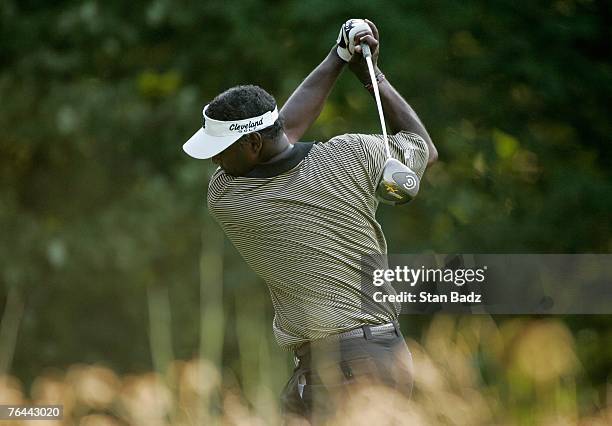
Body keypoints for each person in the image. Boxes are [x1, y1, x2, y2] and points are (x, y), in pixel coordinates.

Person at [183, 18, 438, 421]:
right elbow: (423, 148)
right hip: (360, 358)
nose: (214, 159)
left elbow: (282, 132)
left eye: (220, 148)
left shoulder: (228, 195)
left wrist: (335, 59)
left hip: (351, 367)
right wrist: (371, 76)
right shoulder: (354, 154)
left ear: (250, 144)